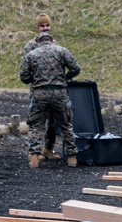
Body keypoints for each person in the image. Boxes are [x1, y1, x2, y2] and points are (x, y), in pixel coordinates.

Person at [19, 32, 81, 168]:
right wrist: (65, 77)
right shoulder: (62, 51)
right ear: (52, 42)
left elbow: (23, 77)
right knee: (65, 125)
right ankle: (72, 157)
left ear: (39, 42)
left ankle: (34, 157)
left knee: (36, 126)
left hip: (39, 93)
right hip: (59, 93)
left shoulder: (32, 54)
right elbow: (76, 68)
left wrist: (35, 79)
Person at [22, 13, 61, 158]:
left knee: (52, 121)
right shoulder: (31, 46)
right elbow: (25, 68)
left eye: (47, 25)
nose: (45, 28)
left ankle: (48, 148)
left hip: (54, 88)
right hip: (38, 89)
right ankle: (34, 152)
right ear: (37, 28)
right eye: (42, 26)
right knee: (37, 122)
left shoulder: (55, 44)